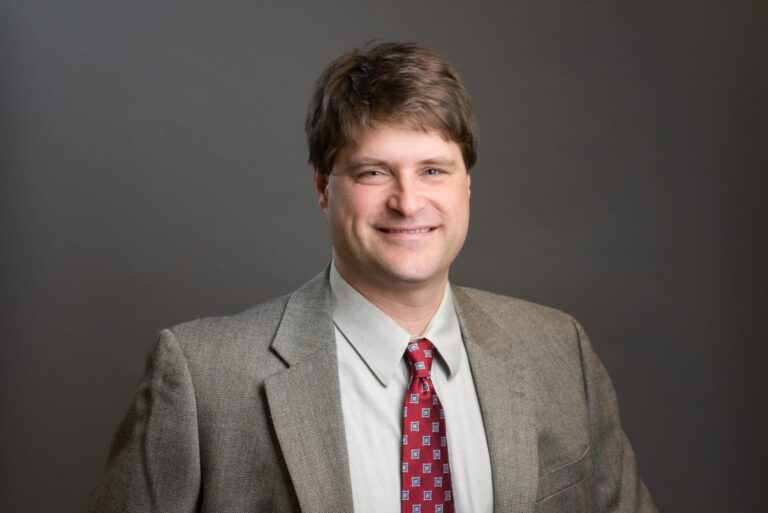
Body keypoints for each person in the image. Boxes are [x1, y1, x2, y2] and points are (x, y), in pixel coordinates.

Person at [87, 42, 657, 513]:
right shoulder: (203, 380)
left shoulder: (559, 353)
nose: (408, 202)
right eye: (374, 172)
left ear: (467, 184)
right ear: (322, 188)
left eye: (433, 170)